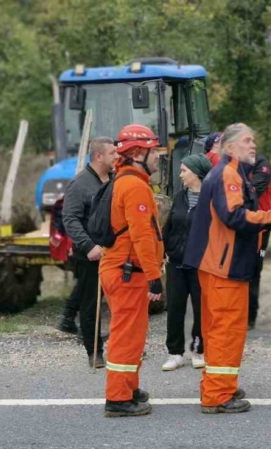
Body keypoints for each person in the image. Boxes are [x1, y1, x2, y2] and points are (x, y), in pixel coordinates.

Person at [184, 123, 271, 414]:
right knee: (226, 330)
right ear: (229, 147)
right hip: (224, 266)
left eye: (253, 140)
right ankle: (218, 395)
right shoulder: (229, 173)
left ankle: (219, 386)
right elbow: (236, 216)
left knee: (219, 328)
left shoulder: (229, 172)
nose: (253, 145)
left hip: (219, 264)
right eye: (247, 141)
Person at [100, 124, 164, 418]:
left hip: (123, 270)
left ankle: (128, 388)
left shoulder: (128, 181)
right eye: (153, 151)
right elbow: (142, 236)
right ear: (138, 153)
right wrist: (154, 276)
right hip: (128, 272)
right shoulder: (135, 186)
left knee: (133, 334)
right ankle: (118, 398)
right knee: (126, 336)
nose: (158, 157)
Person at [60, 137, 117, 367]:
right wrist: (88, 246)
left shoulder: (115, 180)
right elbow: (70, 219)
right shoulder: (79, 184)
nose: (117, 156)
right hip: (90, 255)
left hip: (115, 253)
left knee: (120, 302)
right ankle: (94, 352)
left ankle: (124, 347)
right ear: (99, 156)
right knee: (90, 305)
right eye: (112, 153)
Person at [162, 154, 213, 371]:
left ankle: (198, 350)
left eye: (184, 170)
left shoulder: (212, 199)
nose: (180, 175)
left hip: (200, 265)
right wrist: (164, 250)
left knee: (201, 309)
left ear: (197, 173)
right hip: (176, 262)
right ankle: (175, 353)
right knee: (175, 308)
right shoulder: (179, 197)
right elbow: (169, 227)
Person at [247, 153, 271, 328]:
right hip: (243, 224)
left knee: (254, 271)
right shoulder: (235, 164)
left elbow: (254, 189)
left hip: (261, 226)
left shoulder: (262, 165)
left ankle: (250, 316)